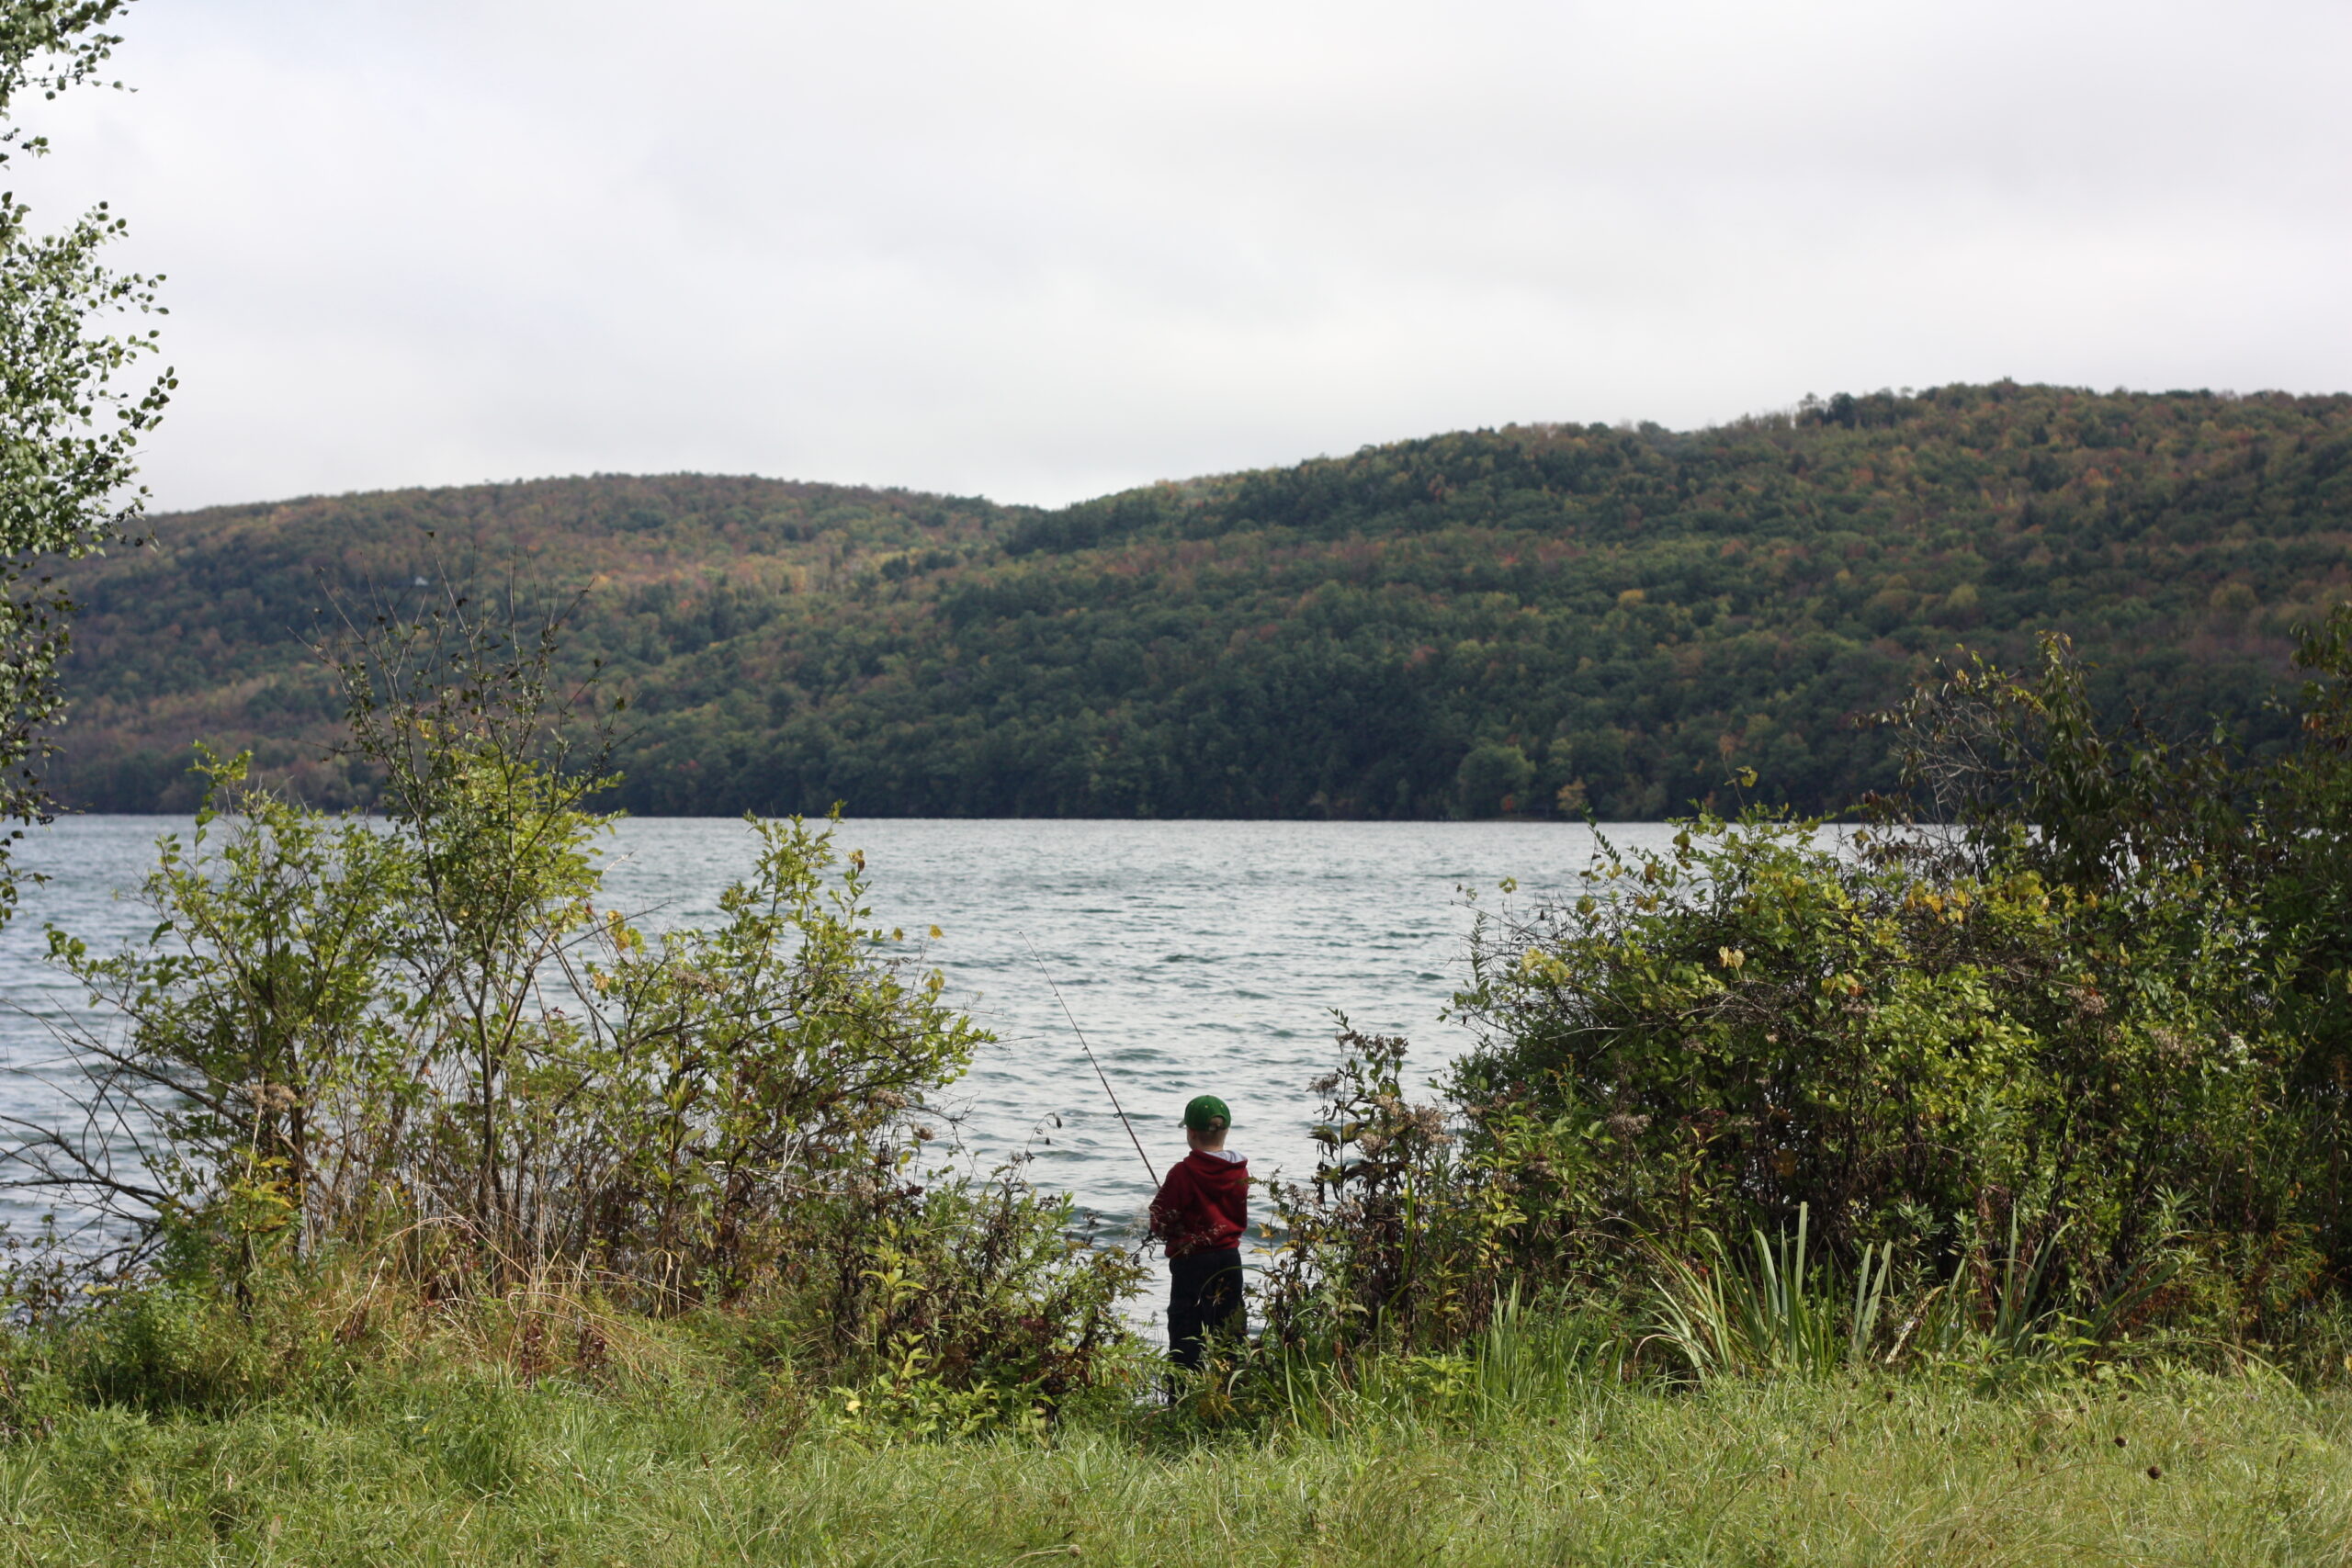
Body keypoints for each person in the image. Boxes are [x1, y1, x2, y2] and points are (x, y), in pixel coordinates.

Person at [1148, 1093, 1249, 1373]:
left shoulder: (1183, 1172)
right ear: (1226, 1131)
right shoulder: (1240, 1171)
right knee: (1229, 1330)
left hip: (1192, 1262)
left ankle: (1181, 1398)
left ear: (1190, 1133)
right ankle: (1232, 1391)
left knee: (1186, 1333)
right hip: (1230, 1259)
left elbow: (1159, 1221)